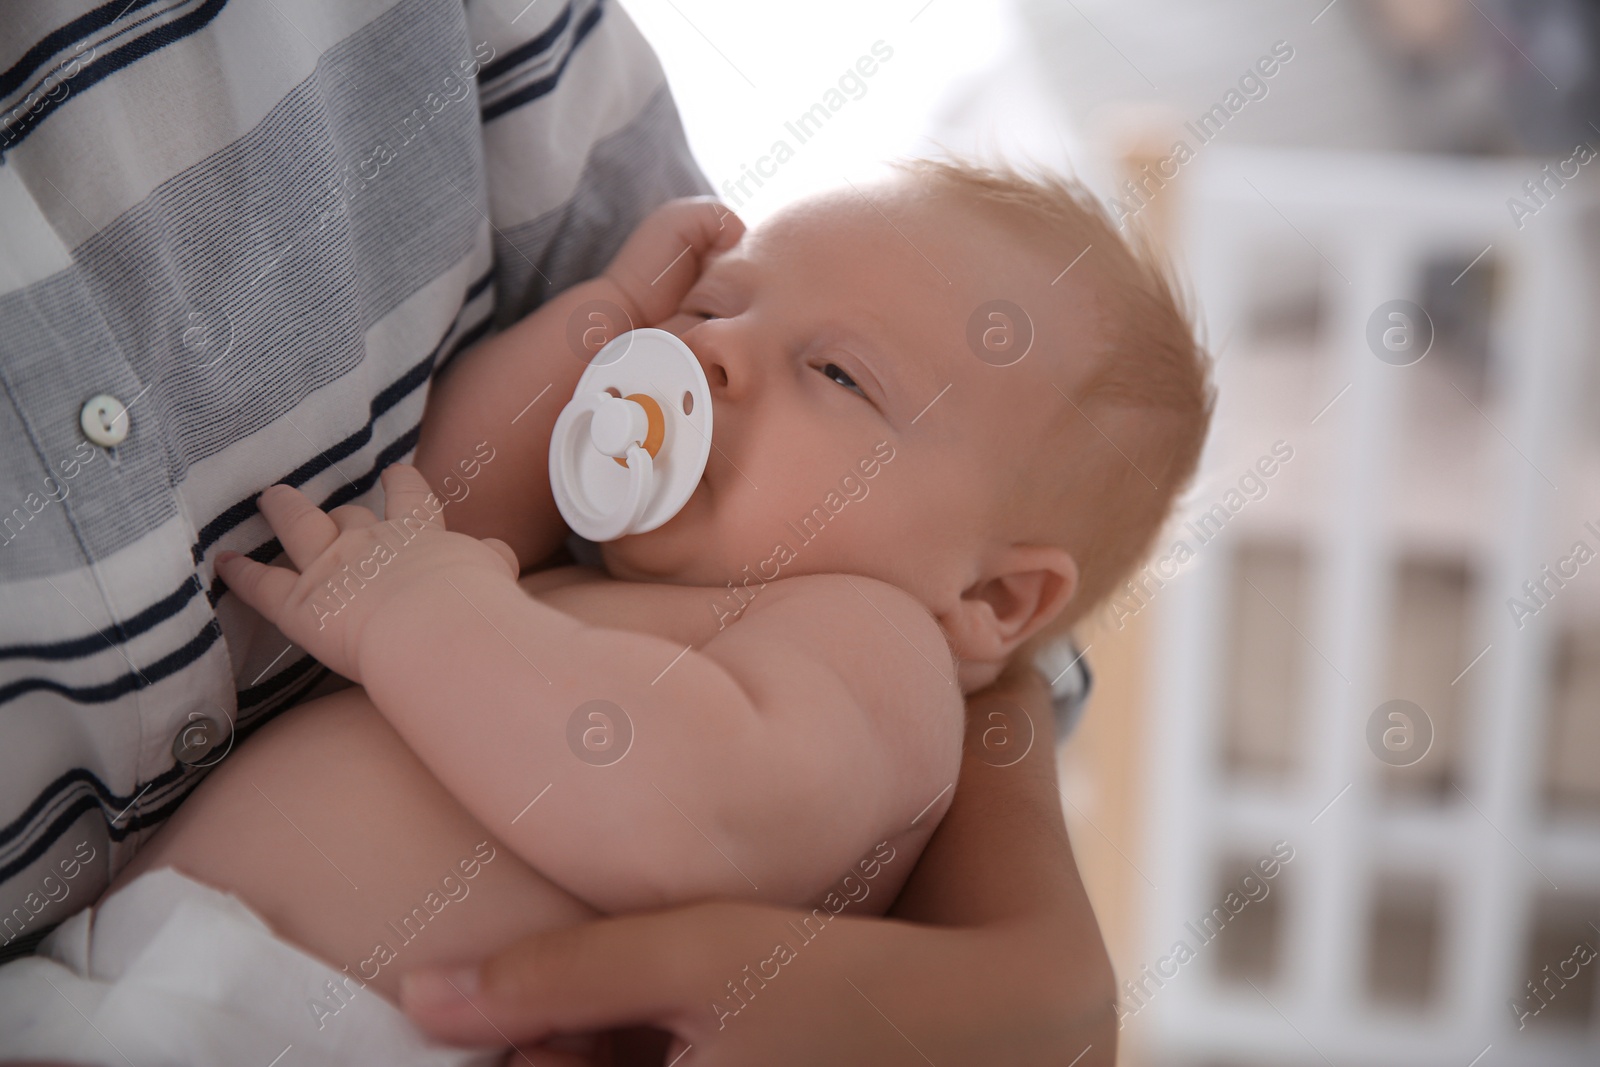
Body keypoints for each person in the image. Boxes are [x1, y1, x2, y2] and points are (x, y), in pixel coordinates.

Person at [0, 1, 1118, 1062]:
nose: (711, 352)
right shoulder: (602, 573)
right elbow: (436, 503)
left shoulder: (875, 651)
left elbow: (687, 810)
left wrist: (416, 612)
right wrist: (597, 329)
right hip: (122, 986)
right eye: (718, 305)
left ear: (995, 602)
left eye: (834, 370)